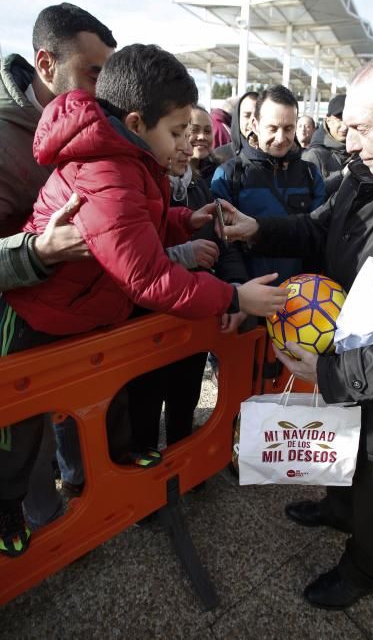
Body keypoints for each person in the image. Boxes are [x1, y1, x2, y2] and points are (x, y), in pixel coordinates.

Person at [0, 44, 288, 557]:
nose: (185, 143)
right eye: (177, 132)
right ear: (135, 121)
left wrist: (183, 219)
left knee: (110, 402)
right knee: (20, 434)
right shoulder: (107, 172)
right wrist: (233, 295)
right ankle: (6, 508)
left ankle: (120, 461)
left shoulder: (126, 159)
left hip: (85, 314)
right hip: (35, 319)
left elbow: (138, 227)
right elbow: (147, 275)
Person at [216, 48, 373, 610]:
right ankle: (337, 508)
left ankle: (366, 568)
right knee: (347, 454)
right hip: (354, 362)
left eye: (358, 127)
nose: (346, 143)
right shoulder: (370, 167)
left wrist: (333, 372)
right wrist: (257, 231)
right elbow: (317, 228)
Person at [0, 2, 116, 536]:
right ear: (46, 65)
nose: (103, 89)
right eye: (93, 73)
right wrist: (36, 252)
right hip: (16, 333)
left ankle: (75, 504)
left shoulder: (99, 123)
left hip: (76, 321)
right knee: (24, 447)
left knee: (72, 425)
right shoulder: (5, 137)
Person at [130, 126, 248, 452]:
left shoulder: (200, 188)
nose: (190, 143)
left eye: (200, 131)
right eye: (182, 131)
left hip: (194, 318)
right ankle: (147, 476)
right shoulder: (139, 187)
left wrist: (235, 284)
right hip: (146, 323)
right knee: (146, 402)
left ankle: (185, 463)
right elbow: (133, 262)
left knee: (186, 395)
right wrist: (184, 255)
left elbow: (225, 245)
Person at [211, 84, 326, 285]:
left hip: (301, 300)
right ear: (254, 124)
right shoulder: (229, 174)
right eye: (272, 128)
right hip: (248, 298)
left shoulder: (310, 174)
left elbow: (318, 233)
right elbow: (224, 242)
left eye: (288, 128)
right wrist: (238, 288)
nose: (281, 138)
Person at [302, 94, 349, 195]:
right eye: (339, 119)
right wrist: (342, 175)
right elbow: (305, 195)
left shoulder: (361, 153)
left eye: (348, 120)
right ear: (328, 121)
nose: (345, 126)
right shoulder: (313, 155)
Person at [213, 91, 258, 163]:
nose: (252, 122)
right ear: (237, 118)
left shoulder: (274, 155)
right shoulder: (219, 156)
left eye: (257, 116)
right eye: (247, 116)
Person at [188, 105, 221, 185]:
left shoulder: (221, 173)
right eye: (194, 130)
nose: (202, 137)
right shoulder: (172, 176)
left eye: (207, 131)